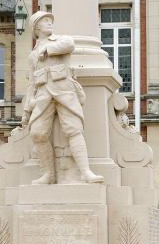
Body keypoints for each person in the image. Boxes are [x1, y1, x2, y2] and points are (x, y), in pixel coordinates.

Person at [21, 11, 103, 184]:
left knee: (73, 129)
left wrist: (48, 49)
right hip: (43, 95)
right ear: (36, 27)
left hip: (64, 90)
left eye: (50, 20)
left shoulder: (60, 41)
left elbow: (70, 45)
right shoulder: (32, 55)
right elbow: (31, 83)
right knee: (37, 133)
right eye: (45, 21)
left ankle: (86, 172)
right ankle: (49, 174)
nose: (50, 23)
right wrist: (27, 110)